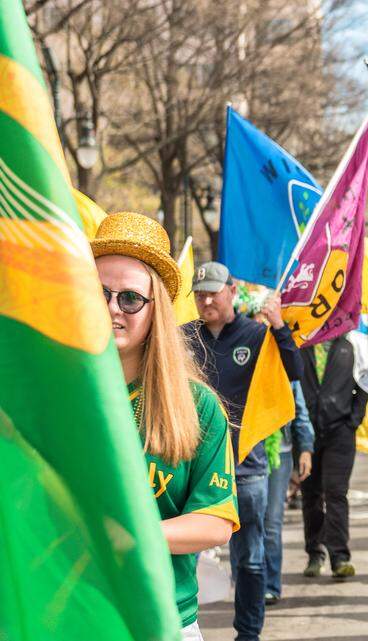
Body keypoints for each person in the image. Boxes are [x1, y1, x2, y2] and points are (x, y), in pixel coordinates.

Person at [92, 212, 238, 641]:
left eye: (130, 299)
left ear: (157, 308)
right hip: (69, 613)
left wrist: (127, 535)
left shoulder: (196, 406)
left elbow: (215, 521)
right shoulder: (53, 392)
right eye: (99, 293)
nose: (112, 308)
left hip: (162, 620)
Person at [187, 261, 303, 641]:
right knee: (183, 553)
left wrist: (280, 327)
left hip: (245, 465)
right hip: (193, 466)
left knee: (249, 558)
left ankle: (248, 633)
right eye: (200, 293)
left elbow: (295, 370)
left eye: (213, 292)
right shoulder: (184, 337)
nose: (206, 300)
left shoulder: (257, 334)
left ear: (232, 292)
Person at [299, 333, 368, 579]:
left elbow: (365, 382)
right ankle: (314, 553)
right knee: (311, 494)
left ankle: (339, 557)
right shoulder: (302, 344)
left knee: (336, 493)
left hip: (340, 431)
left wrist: (353, 420)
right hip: (307, 431)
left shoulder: (350, 346)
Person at [264, 381, 314, 605]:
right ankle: (247, 582)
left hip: (280, 451)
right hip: (243, 451)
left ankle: (270, 585)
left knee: (272, 522)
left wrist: (305, 449)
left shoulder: (285, 363)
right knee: (243, 521)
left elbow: (299, 409)